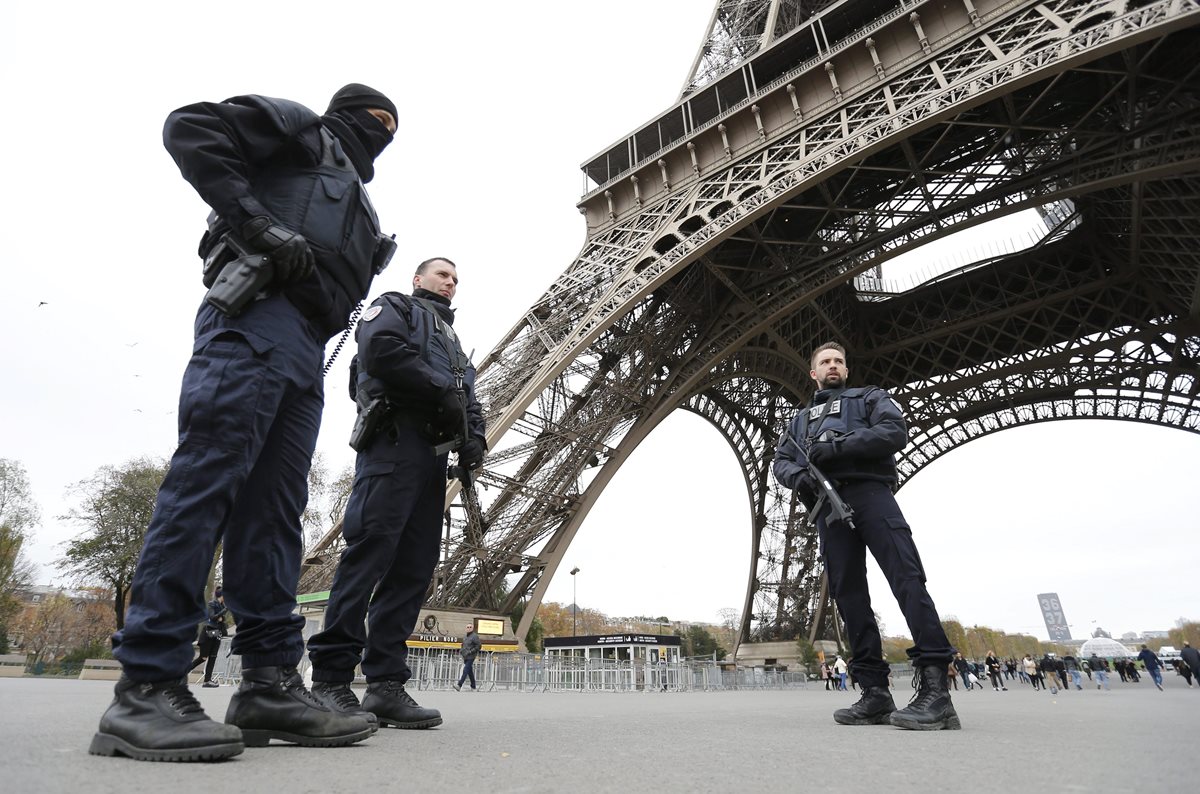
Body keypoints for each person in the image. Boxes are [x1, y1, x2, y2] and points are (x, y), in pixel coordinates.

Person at [91, 84, 399, 762]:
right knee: (207, 484)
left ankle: (268, 682)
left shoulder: (361, 203)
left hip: (306, 351)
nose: (381, 130)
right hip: (255, 318)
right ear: (343, 113)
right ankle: (147, 684)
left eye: (391, 126)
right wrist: (257, 224)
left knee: (275, 516)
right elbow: (192, 127)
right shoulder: (301, 131)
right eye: (372, 119)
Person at [305, 257, 485, 729]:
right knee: (369, 554)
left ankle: (385, 684)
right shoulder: (394, 308)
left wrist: (476, 439)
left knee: (412, 569)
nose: (451, 282)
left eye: (456, 278)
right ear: (418, 278)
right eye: (443, 274)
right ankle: (330, 677)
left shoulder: (454, 345)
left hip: (431, 457)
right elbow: (381, 350)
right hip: (394, 444)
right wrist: (442, 387)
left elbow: (470, 399)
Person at [773, 342, 958, 730]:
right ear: (814, 373)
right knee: (848, 595)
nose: (833, 366)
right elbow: (781, 463)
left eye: (839, 360)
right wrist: (802, 476)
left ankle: (937, 690)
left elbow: (894, 431)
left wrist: (836, 447)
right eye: (825, 362)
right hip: (828, 504)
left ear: (846, 368)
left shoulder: (871, 398)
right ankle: (874, 692)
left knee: (906, 578)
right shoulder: (798, 421)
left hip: (870, 494)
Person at [187, 586, 229, 687]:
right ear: (221, 596)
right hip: (208, 633)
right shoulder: (212, 604)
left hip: (217, 633)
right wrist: (223, 612)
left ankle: (207, 681)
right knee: (203, 657)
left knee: (213, 657)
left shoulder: (222, 606)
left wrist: (221, 617)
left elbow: (221, 620)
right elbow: (212, 617)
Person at [456, 625, 483, 692]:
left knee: (465, 670)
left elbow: (479, 646)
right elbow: (462, 645)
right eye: (467, 627)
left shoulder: (475, 636)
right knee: (470, 671)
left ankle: (459, 685)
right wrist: (461, 651)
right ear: (466, 628)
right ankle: (473, 686)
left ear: (473, 628)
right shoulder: (465, 637)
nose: (469, 628)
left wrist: (471, 651)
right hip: (465, 656)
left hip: (471, 656)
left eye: (470, 627)